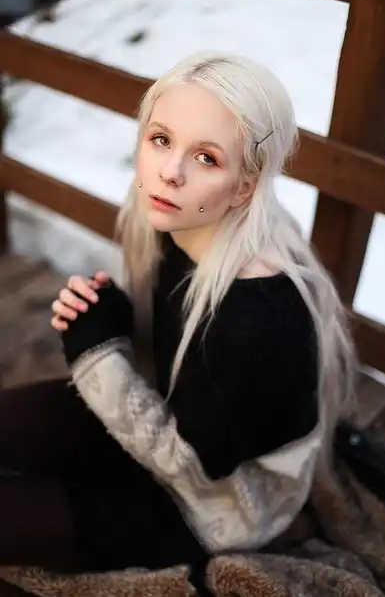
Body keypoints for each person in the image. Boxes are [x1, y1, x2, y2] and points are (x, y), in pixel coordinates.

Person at [0, 51, 355, 587]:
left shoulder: (260, 317)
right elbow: (175, 337)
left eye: (207, 157)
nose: (170, 172)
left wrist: (97, 354)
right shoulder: (182, 220)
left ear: (246, 185)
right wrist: (114, 317)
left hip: (208, 505)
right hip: (159, 404)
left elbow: (189, 464)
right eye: (161, 139)